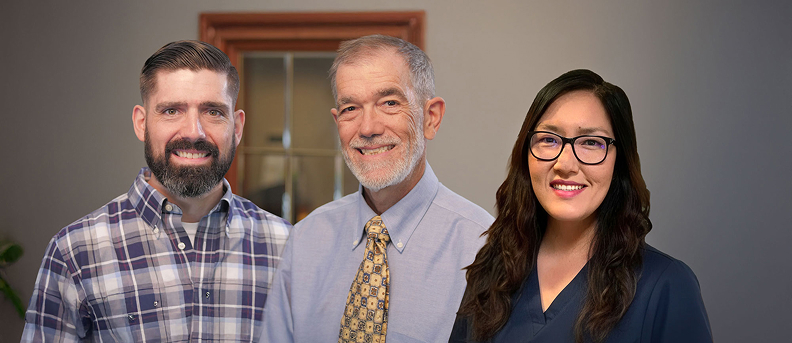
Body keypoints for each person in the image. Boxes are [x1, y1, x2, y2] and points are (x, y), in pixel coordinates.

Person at [21, 40, 291, 342]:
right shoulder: (74, 252)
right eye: (172, 110)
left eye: (213, 112)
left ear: (237, 127)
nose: (193, 132)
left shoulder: (287, 248)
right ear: (141, 122)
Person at [450, 69, 712, 342]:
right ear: (525, 154)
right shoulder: (491, 273)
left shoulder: (665, 286)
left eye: (591, 142)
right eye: (549, 140)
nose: (565, 164)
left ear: (618, 161)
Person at [262, 35, 494, 342]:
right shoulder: (305, 241)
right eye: (350, 108)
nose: (368, 127)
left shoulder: (484, 248)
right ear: (338, 122)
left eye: (389, 103)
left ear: (431, 117)